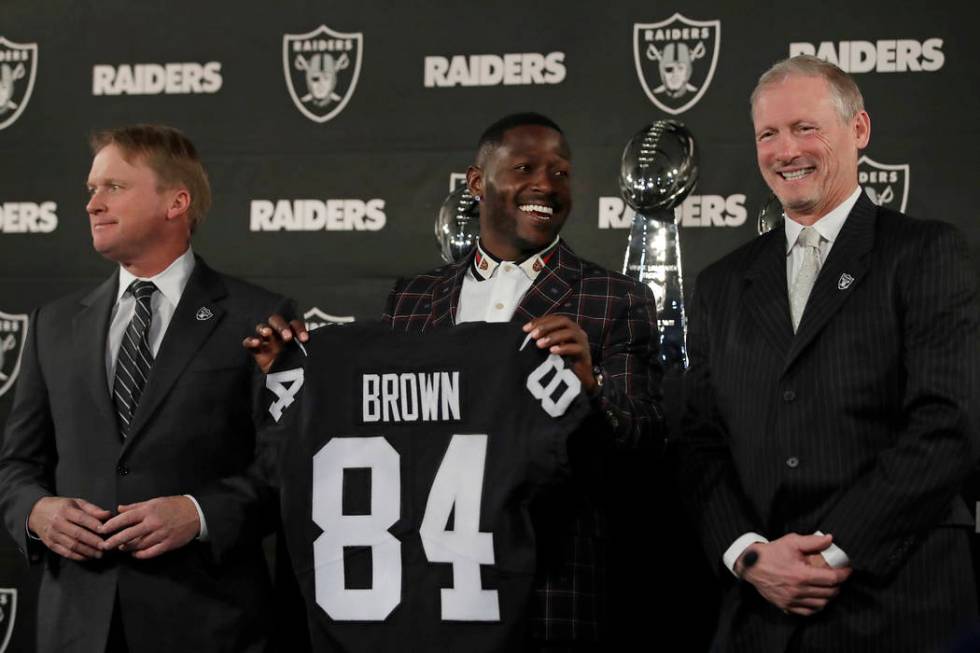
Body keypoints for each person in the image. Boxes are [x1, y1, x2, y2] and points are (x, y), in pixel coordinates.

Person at [248, 112, 665, 650]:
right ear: (476, 183)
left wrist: (591, 390)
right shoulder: (414, 299)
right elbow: (375, 428)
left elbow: (647, 443)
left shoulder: (613, 298)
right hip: (430, 592)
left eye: (560, 173)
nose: (545, 184)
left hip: (552, 585)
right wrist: (293, 378)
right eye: (524, 167)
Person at [677, 55, 978, 652]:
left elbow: (948, 424)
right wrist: (751, 555)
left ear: (858, 130)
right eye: (769, 134)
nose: (786, 150)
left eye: (805, 128)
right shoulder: (719, 284)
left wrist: (829, 552)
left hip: (901, 603)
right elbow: (698, 442)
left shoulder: (925, 254)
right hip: (760, 617)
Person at [0, 124, 291, 653]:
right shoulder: (53, 325)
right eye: (91, 189)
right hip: (76, 627)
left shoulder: (257, 317)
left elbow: (287, 464)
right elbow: (17, 466)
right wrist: (36, 513)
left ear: (176, 202)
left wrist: (199, 514)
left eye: (113, 186)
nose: (93, 203)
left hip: (209, 623)